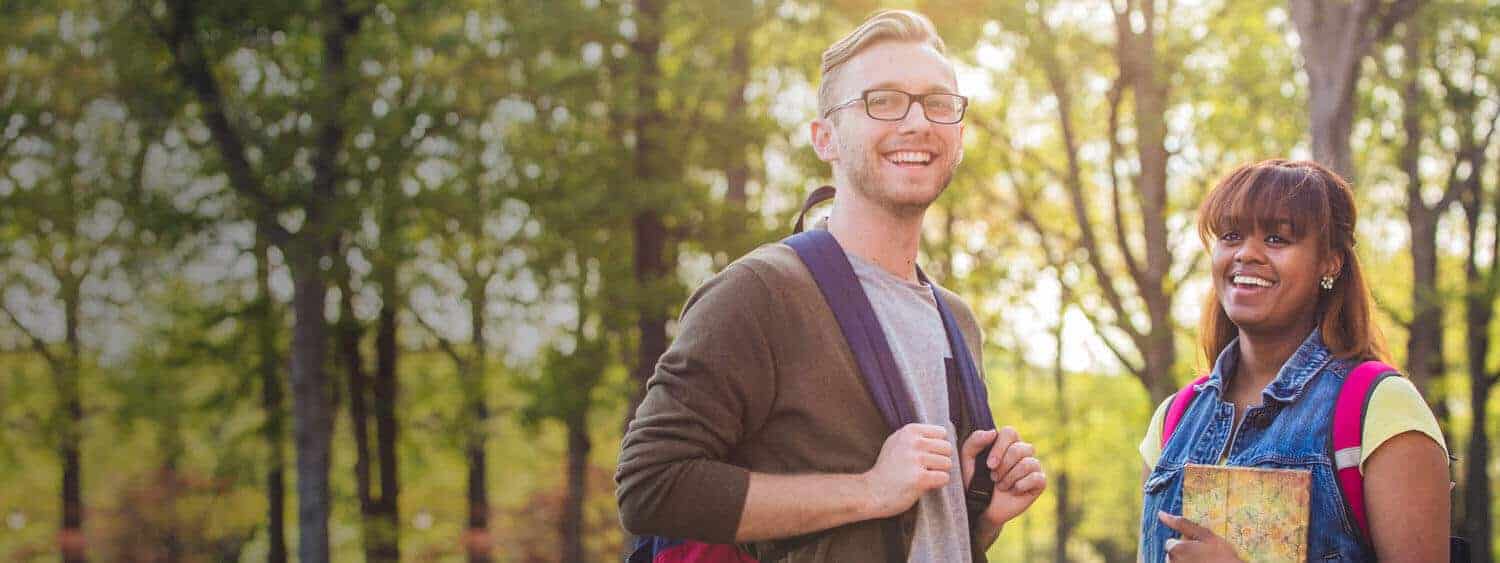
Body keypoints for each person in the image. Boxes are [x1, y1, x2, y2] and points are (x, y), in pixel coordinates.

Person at [615, 10, 1045, 562]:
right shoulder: (760, 294)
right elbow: (651, 486)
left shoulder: (955, 320)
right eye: (883, 101)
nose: (917, 122)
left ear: (958, 133)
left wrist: (977, 513)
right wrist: (869, 489)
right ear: (826, 139)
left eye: (938, 103)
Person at [1138, 159, 1450, 561]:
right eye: (1231, 236)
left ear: (1330, 263)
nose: (1246, 254)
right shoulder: (1173, 420)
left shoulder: (1379, 408)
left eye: (1276, 239)